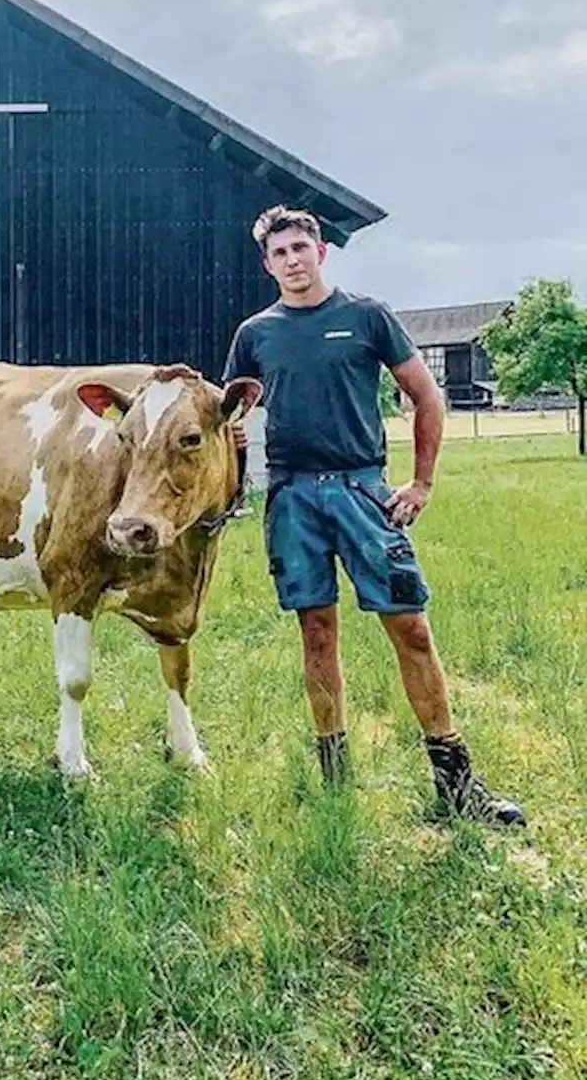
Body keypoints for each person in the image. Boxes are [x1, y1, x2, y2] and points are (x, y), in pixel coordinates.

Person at [222, 205, 524, 827]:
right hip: (292, 497)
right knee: (317, 633)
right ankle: (336, 780)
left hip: (363, 493)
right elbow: (231, 420)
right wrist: (232, 477)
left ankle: (456, 782)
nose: (292, 260)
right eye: (279, 254)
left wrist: (420, 483)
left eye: (301, 248)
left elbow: (426, 396)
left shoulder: (367, 317)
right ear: (267, 264)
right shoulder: (256, 333)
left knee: (411, 628)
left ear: (321, 252)